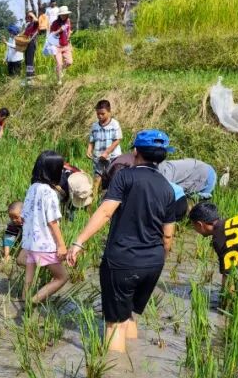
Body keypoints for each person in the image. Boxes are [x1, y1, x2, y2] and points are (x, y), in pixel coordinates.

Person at [66, 130, 178, 353]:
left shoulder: (125, 177)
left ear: (135, 151)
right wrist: (158, 259)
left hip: (123, 259)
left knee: (114, 323)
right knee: (129, 315)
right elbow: (168, 235)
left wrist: (79, 241)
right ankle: (132, 363)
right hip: (153, 262)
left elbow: (106, 211)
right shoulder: (168, 187)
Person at [20, 151, 70, 305]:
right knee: (62, 277)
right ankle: (34, 301)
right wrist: (61, 245)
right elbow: (52, 222)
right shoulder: (49, 192)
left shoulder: (33, 187)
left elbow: (24, 216)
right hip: (44, 244)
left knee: (29, 275)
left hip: (31, 242)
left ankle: (24, 299)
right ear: (54, 171)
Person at [87, 100, 122, 184]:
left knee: (113, 176)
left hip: (112, 157)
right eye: (98, 114)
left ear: (109, 112)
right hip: (98, 156)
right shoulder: (95, 126)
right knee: (97, 175)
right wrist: (89, 149)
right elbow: (92, 140)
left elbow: (117, 139)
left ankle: (112, 194)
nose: (100, 116)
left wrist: (107, 152)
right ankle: (95, 195)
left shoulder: (114, 124)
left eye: (103, 114)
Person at [50, 6, 74, 85]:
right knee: (59, 64)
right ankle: (59, 80)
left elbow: (69, 30)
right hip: (57, 47)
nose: (64, 16)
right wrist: (59, 30)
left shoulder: (68, 21)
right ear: (59, 15)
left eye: (65, 14)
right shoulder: (55, 23)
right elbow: (51, 35)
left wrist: (69, 38)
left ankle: (58, 69)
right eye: (62, 15)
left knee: (69, 62)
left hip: (66, 45)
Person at [21, 12, 41, 81]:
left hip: (31, 43)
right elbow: (24, 33)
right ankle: (31, 74)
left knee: (29, 60)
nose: (28, 18)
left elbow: (37, 21)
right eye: (27, 17)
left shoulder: (34, 24)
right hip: (26, 43)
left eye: (29, 17)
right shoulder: (28, 25)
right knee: (27, 60)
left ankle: (29, 76)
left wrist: (32, 14)